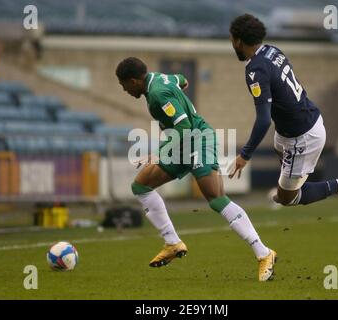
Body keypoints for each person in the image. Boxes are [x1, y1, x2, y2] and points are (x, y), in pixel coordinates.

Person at [116, 57, 277, 281]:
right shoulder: (161, 79)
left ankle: (264, 253)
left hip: (197, 139)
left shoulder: (157, 94)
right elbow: (182, 81)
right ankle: (172, 242)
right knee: (141, 185)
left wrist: (160, 152)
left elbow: (184, 126)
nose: (124, 90)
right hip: (182, 143)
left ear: (133, 81)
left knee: (216, 199)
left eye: (123, 85)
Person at [227, 14, 338, 208]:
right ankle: (289, 182)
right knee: (280, 150)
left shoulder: (256, 70)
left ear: (238, 41)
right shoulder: (272, 50)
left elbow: (263, 120)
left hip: (302, 136)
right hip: (301, 122)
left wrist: (245, 155)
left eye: (232, 40)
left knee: (287, 199)